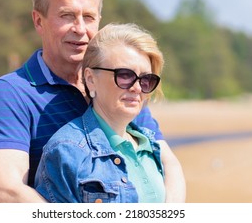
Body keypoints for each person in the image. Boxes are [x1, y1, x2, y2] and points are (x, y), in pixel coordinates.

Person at [0, 0, 185, 203]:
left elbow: (166, 161)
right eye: (66, 16)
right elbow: (6, 191)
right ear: (38, 21)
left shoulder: (119, 83)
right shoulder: (14, 91)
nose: (80, 29)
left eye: (88, 17)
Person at [35, 23, 166, 203]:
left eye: (146, 79)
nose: (137, 88)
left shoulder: (149, 145)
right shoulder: (66, 151)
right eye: (125, 75)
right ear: (90, 79)